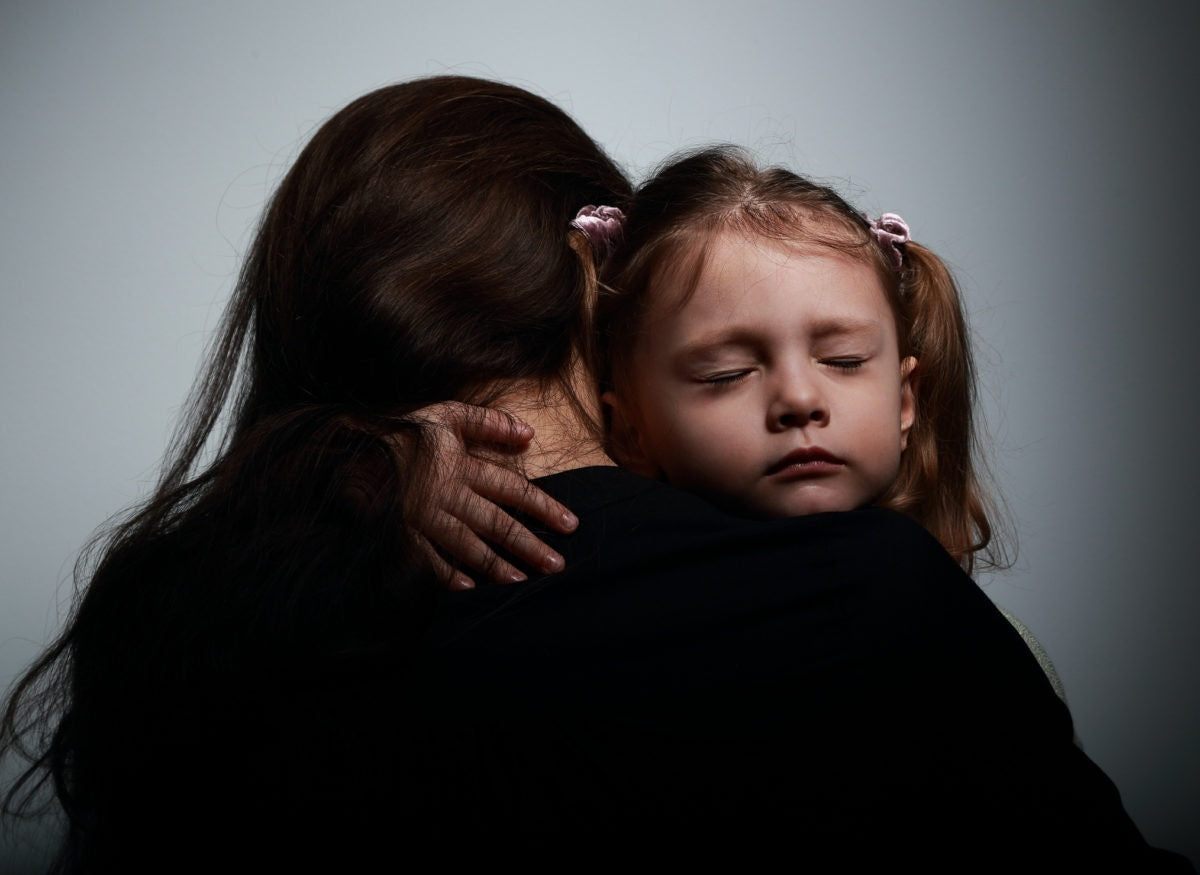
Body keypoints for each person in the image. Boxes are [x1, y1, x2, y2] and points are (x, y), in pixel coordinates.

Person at [0, 78, 1188, 871]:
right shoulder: (865, 600)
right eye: (725, 362)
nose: (800, 398)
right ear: (597, 298)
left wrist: (341, 470)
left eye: (842, 355)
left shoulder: (203, 627)